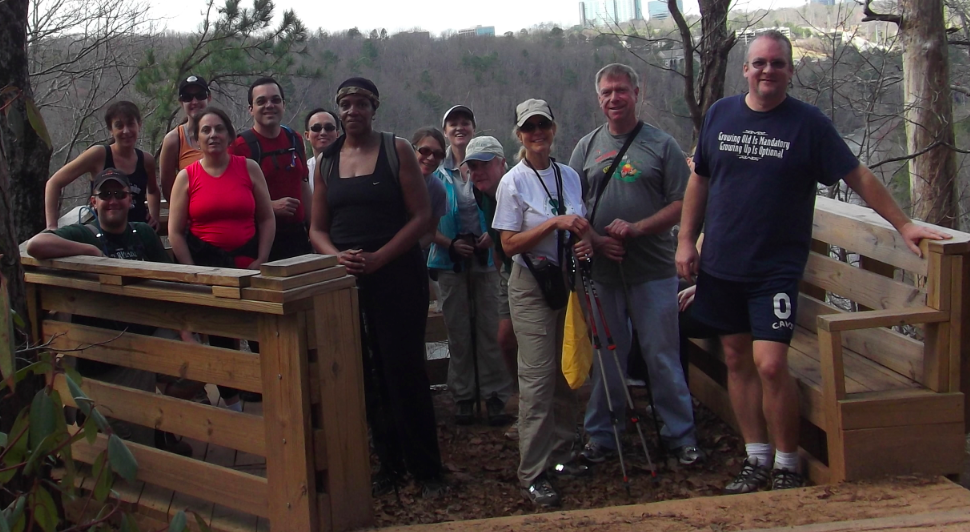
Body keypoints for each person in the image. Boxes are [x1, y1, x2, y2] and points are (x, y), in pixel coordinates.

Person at [675, 31, 950, 494]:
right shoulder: (721, 114)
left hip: (774, 271)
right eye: (759, 62)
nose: (767, 70)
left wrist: (904, 225)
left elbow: (857, 174)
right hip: (721, 264)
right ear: (746, 69)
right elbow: (700, 181)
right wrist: (686, 241)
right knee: (738, 358)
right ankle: (755, 457)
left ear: (790, 70)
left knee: (769, 364)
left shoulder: (808, 125)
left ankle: (787, 462)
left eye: (777, 63)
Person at [308, 77, 445, 498]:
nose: (353, 111)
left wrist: (381, 257)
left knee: (403, 368)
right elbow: (316, 228)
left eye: (361, 103)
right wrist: (336, 257)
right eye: (345, 104)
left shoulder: (395, 149)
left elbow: (422, 217)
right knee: (367, 372)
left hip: (397, 274)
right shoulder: (327, 161)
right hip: (348, 280)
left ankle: (427, 468)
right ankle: (388, 463)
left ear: (375, 107)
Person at [568, 63, 703, 467]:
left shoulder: (661, 146)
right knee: (608, 356)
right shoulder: (586, 147)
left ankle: (680, 436)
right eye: (607, 92)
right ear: (598, 98)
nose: (614, 98)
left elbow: (682, 203)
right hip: (604, 276)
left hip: (654, 270)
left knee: (661, 354)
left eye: (621, 90)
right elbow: (573, 209)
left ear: (636, 92)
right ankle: (602, 436)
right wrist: (595, 241)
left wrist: (638, 228)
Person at [27, 169, 202, 456]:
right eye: (105, 195)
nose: (113, 201)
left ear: (130, 199)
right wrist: (91, 252)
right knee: (136, 453)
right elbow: (36, 245)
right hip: (107, 352)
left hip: (149, 335)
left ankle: (162, 425)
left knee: (200, 365)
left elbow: (170, 283)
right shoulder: (83, 233)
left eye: (119, 194)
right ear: (93, 202)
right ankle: (139, 429)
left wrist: (187, 335)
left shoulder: (143, 233)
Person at [492, 99, 592, 507]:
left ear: (553, 129)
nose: (538, 133)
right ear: (519, 135)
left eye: (543, 125)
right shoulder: (513, 181)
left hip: (566, 280)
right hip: (531, 282)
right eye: (529, 127)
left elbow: (578, 222)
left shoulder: (568, 175)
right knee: (537, 376)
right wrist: (554, 222)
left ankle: (565, 453)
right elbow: (507, 243)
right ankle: (533, 472)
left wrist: (583, 239)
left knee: (566, 367)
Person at [167, 107, 275, 411]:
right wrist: (192, 272)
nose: (212, 135)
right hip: (208, 268)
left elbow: (267, 218)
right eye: (205, 130)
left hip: (250, 266)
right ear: (197, 138)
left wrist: (263, 257)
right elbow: (175, 232)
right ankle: (233, 406)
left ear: (229, 134)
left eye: (218, 129)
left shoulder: (248, 167)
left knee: (262, 336)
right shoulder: (186, 177)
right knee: (221, 336)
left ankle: (277, 401)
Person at [428, 107, 513, 426]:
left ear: (474, 128)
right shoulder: (436, 172)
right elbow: (424, 221)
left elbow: (506, 208)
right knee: (458, 331)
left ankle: (495, 396)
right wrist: (451, 243)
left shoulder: (491, 168)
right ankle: (464, 397)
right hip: (449, 261)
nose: (459, 128)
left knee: (491, 327)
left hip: (489, 258)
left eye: (465, 123)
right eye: (453, 124)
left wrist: (492, 238)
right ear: (445, 130)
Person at [462, 136, 520, 431]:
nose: (478, 171)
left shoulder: (518, 186)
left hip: (534, 272)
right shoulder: (480, 191)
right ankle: (524, 398)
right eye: (472, 166)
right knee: (505, 340)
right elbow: (496, 230)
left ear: (502, 163)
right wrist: (498, 258)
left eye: (484, 164)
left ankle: (543, 407)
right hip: (508, 271)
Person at [229, 77, 313, 261]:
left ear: (283, 105)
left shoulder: (295, 139)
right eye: (261, 101)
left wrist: (314, 230)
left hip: (297, 237)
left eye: (275, 100)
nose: (269, 105)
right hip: (259, 240)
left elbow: (303, 184)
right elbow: (229, 199)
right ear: (250, 109)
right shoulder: (239, 147)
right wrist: (270, 207)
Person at [45, 101, 160, 231]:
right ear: (111, 130)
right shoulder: (99, 155)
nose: (126, 131)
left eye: (130, 124)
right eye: (119, 126)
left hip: (137, 234)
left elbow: (153, 190)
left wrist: (154, 215)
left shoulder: (146, 160)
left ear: (139, 125)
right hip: (105, 235)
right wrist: (51, 227)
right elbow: (54, 183)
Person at [159, 75, 212, 200]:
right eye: (187, 97)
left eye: (200, 96)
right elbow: (168, 189)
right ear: (181, 102)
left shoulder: (223, 133)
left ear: (209, 98)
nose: (194, 102)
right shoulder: (174, 139)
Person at [410, 127, 448, 250]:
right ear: (412, 149)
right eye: (425, 151)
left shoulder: (438, 190)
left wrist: (410, 252)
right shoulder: (390, 177)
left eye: (438, 154)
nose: (431, 158)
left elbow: (430, 233)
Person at [304, 108, 341, 193]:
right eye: (316, 128)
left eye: (329, 128)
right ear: (307, 135)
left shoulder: (349, 167)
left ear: (337, 134)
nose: (323, 132)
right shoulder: (304, 172)